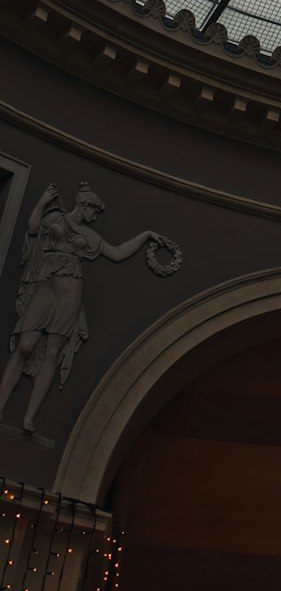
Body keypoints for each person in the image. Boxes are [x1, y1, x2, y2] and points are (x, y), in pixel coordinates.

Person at [0, 181, 167, 434]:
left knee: (52, 353)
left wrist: (146, 235)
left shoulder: (88, 235)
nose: (95, 216)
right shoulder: (56, 215)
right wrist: (42, 201)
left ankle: (29, 417)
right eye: (94, 211)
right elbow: (33, 228)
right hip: (46, 288)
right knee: (24, 347)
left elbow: (118, 253)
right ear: (84, 204)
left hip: (70, 294)